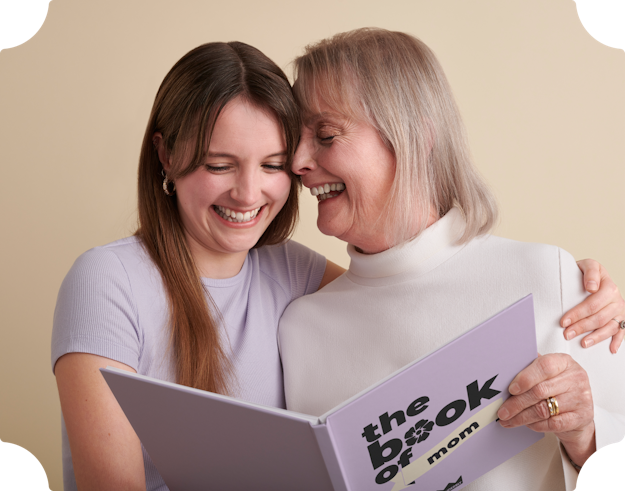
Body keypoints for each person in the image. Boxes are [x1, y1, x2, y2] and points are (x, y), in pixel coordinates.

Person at [52, 39, 620, 491]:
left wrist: (577, 287)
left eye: (277, 159)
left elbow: (404, 287)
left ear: (412, 136)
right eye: (218, 163)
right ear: (166, 157)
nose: (291, 170)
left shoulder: (294, 277)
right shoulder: (121, 283)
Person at [278, 28, 625, 491]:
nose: (297, 160)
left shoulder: (551, 279)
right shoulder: (299, 328)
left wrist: (586, 434)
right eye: (293, 138)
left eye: (324, 134)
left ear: (415, 134)